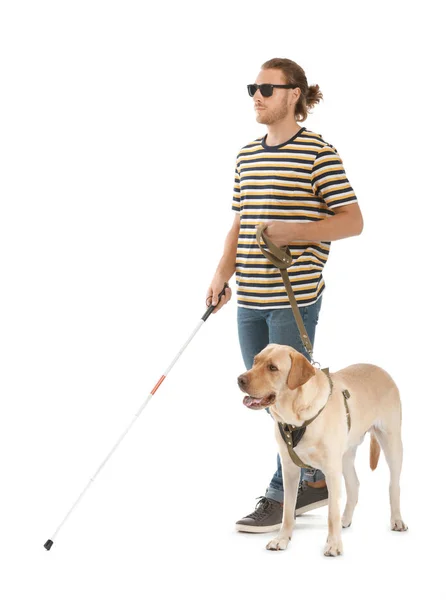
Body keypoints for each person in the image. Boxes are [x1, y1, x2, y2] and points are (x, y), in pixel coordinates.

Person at [206, 58, 364, 533]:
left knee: (292, 397)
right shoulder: (247, 155)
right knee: (269, 399)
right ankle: (311, 477)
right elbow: (240, 220)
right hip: (250, 297)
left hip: (294, 296)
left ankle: (282, 492)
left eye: (267, 88)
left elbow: (352, 221)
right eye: (253, 88)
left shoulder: (319, 153)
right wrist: (220, 274)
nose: (256, 95)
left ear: (294, 94)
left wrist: (294, 231)